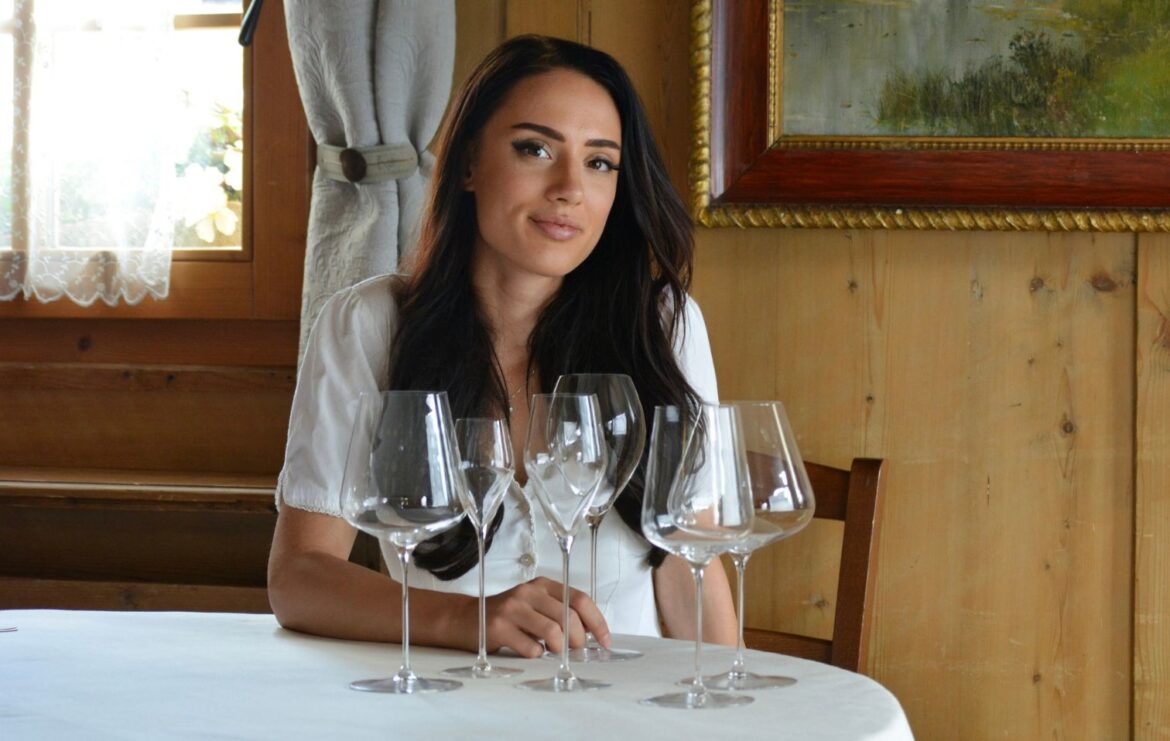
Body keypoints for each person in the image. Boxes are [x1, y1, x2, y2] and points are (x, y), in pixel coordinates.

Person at [267, 34, 736, 658]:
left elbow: (691, 566)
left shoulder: (663, 324)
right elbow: (299, 578)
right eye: (535, 149)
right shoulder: (369, 324)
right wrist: (466, 621)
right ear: (467, 163)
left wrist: (728, 694)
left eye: (600, 162)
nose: (569, 188)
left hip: (626, 699)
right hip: (442, 698)